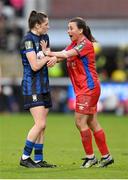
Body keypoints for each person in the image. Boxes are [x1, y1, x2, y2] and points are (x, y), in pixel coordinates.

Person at [41, 17, 114, 168]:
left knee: (80, 122)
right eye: (67, 28)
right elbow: (64, 54)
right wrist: (54, 58)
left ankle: (90, 157)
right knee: (92, 122)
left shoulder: (85, 44)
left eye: (71, 28)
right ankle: (106, 156)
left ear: (80, 30)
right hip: (85, 89)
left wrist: (48, 52)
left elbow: (67, 54)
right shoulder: (74, 44)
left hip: (88, 88)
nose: (69, 31)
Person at [19, 10, 57, 168]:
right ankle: (25, 157)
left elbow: (46, 55)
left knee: (43, 125)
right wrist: (48, 56)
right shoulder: (28, 40)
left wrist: (52, 57)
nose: (48, 26)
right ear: (36, 25)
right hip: (32, 85)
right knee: (39, 124)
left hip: (44, 84)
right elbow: (35, 65)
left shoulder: (44, 37)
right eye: (46, 24)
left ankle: (38, 159)